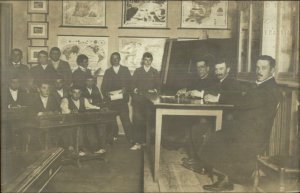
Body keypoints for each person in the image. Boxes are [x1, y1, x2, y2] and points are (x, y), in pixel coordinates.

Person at [187, 55, 281, 191]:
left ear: (272, 70)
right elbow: (243, 99)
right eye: (257, 67)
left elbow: (244, 101)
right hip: (249, 130)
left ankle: (225, 179)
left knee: (216, 137)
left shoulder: (269, 88)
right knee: (215, 133)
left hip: (254, 137)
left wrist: (219, 98)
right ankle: (224, 175)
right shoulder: (263, 86)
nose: (259, 71)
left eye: (264, 68)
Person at [60, 86, 105, 156]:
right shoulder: (65, 100)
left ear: (81, 93)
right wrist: (71, 111)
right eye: (74, 92)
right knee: (79, 129)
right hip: (69, 123)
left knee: (91, 127)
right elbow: (65, 109)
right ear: (71, 93)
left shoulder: (83, 99)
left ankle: (95, 148)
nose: (77, 95)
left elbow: (90, 106)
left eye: (79, 93)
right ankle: (78, 149)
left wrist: (100, 108)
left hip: (81, 121)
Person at [101, 52, 133, 147]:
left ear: (120, 59)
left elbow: (131, 84)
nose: (115, 60)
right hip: (112, 101)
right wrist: (107, 93)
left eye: (117, 58)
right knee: (111, 121)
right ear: (111, 60)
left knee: (126, 120)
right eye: (113, 58)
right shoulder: (108, 72)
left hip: (122, 101)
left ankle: (131, 138)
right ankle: (111, 138)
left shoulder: (125, 70)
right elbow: (103, 87)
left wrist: (125, 89)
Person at [131, 52, 160, 150]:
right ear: (143, 60)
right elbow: (133, 85)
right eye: (145, 60)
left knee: (149, 121)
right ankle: (137, 143)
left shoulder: (155, 72)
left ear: (151, 61)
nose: (147, 62)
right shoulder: (137, 71)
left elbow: (158, 86)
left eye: (149, 60)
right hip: (139, 101)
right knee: (137, 121)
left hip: (150, 102)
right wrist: (136, 89)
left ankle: (147, 142)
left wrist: (155, 90)